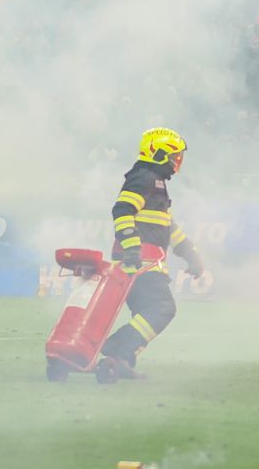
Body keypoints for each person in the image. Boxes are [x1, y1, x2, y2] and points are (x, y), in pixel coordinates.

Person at [100, 127, 205, 378]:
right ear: (157, 153)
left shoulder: (156, 182)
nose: (177, 162)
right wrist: (132, 247)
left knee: (148, 313)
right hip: (138, 263)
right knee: (161, 308)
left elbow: (167, 226)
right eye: (174, 156)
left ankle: (121, 360)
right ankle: (118, 349)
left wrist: (191, 255)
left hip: (144, 262)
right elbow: (122, 210)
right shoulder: (144, 177)